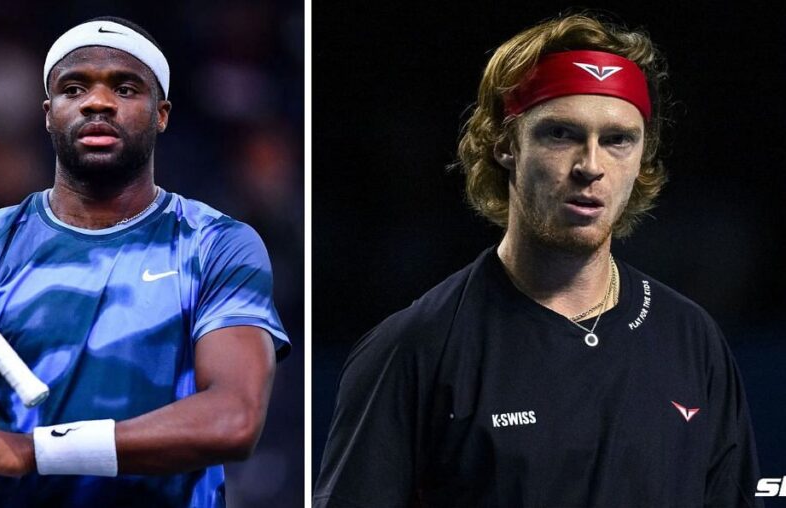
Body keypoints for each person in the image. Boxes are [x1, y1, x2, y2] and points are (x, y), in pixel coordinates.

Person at [314, 13, 760, 508]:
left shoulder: (693, 340)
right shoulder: (415, 348)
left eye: (618, 140)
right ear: (505, 143)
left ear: (642, 156)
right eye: (561, 134)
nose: (591, 166)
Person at [0, 16, 289, 508]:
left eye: (125, 88)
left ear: (161, 114)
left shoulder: (218, 244)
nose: (98, 102)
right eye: (74, 89)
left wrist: (35, 450)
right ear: (48, 114)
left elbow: (234, 421)